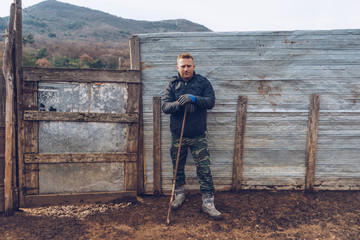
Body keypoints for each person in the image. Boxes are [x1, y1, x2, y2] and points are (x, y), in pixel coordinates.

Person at [161, 53, 223, 220]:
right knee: (177, 168)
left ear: (194, 67)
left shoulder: (203, 82)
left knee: (204, 169)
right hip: (178, 135)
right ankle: (179, 195)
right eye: (183, 66)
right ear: (178, 67)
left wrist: (195, 99)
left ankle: (208, 202)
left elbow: (210, 102)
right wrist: (179, 104)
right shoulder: (173, 84)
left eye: (189, 65)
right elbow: (165, 106)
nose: (186, 69)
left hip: (198, 135)